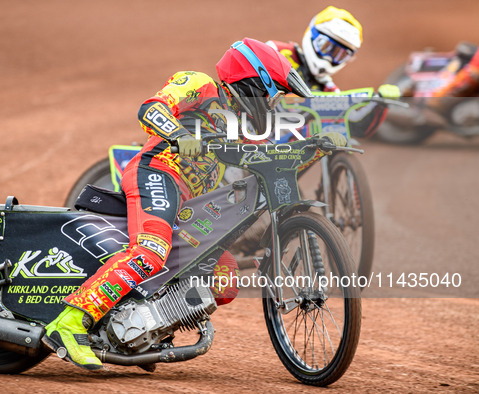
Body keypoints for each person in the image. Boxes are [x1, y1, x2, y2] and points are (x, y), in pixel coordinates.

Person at [42, 38, 346, 370]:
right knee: (150, 251)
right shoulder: (200, 84)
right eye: (271, 94)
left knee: (223, 277)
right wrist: (178, 134)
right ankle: (70, 322)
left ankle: (144, 331)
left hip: (189, 200)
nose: (273, 104)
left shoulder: (244, 128)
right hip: (157, 173)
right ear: (251, 82)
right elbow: (150, 109)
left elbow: (275, 163)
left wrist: (318, 148)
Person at [266, 5, 400, 139]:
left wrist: (379, 104)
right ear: (313, 36)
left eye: (340, 55)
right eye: (326, 47)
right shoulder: (277, 51)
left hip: (281, 151)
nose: (329, 58)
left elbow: (353, 126)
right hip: (249, 136)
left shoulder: (328, 90)